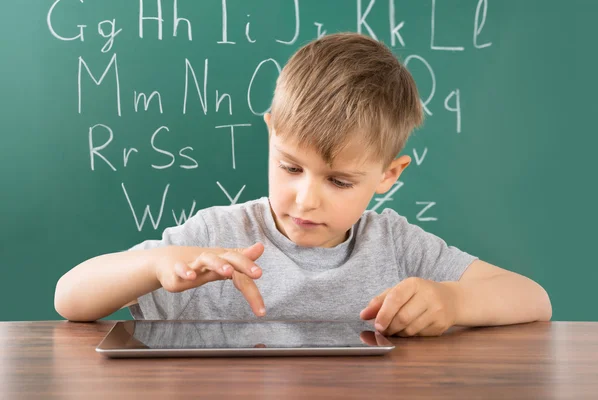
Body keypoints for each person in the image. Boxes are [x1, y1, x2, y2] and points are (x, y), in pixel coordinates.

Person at [55, 33, 551, 337]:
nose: (306, 198)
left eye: (338, 180)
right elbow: (69, 298)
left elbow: (534, 300)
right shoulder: (214, 237)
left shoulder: (394, 245)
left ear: (388, 175)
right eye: (291, 167)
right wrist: (155, 264)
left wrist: (453, 301)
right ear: (272, 132)